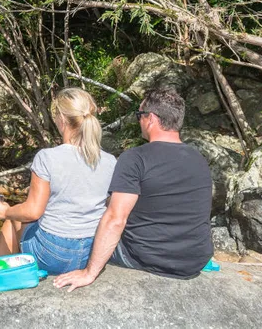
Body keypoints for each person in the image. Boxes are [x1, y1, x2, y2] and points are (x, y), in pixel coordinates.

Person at [53, 87, 213, 291]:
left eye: (139, 115)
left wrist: (89, 273)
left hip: (147, 258)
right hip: (194, 261)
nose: (139, 121)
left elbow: (115, 219)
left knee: (93, 224)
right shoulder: (199, 159)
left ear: (151, 119)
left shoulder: (135, 158)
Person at [0, 87, 116, 275]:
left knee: (12, 221)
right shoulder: (110, 161)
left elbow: (32, 211)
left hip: (54, 254)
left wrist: (5, 211)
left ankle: (0, 278)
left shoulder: (47, 157)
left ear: (62, 119)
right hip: (92, 251)